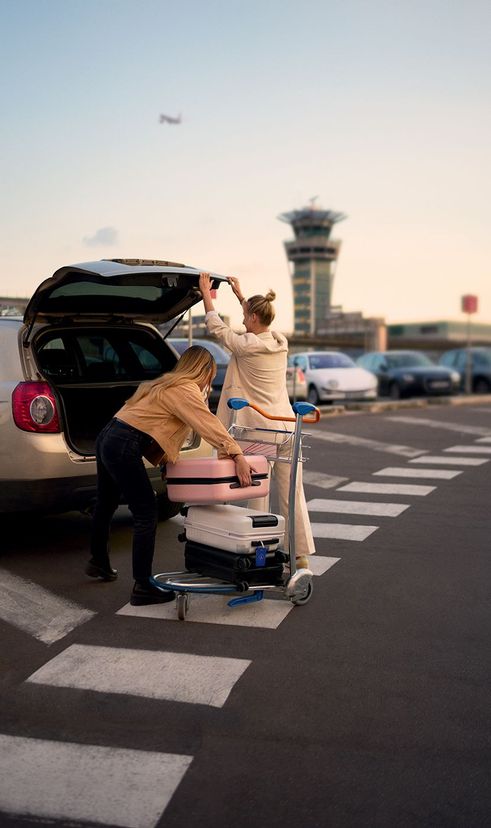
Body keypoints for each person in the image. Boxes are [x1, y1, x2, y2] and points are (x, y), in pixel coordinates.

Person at [86, 346, 252, 605]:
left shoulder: (164, 384)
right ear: (206, 370)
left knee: (106, 504)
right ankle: (142, 586)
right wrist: (237, 455)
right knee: (146, 513)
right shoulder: (185, 389)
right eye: (211, 372)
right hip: (123, 443)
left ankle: (98, 562)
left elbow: (156, 425)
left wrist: (164, 461)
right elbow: (207, 424)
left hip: (108, 436)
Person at [199, 273, 316, 569]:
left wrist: (205, 294)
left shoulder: (246, 345)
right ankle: (300, 556)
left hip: (260, 432)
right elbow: (257, 319)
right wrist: (242, 297)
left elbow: (216, 327)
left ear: (252, 318)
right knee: (293, 494)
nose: (242, 321)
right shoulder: (280, 341)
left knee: (259, 493)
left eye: (244, 316)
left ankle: (260, 554)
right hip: (287, 429)